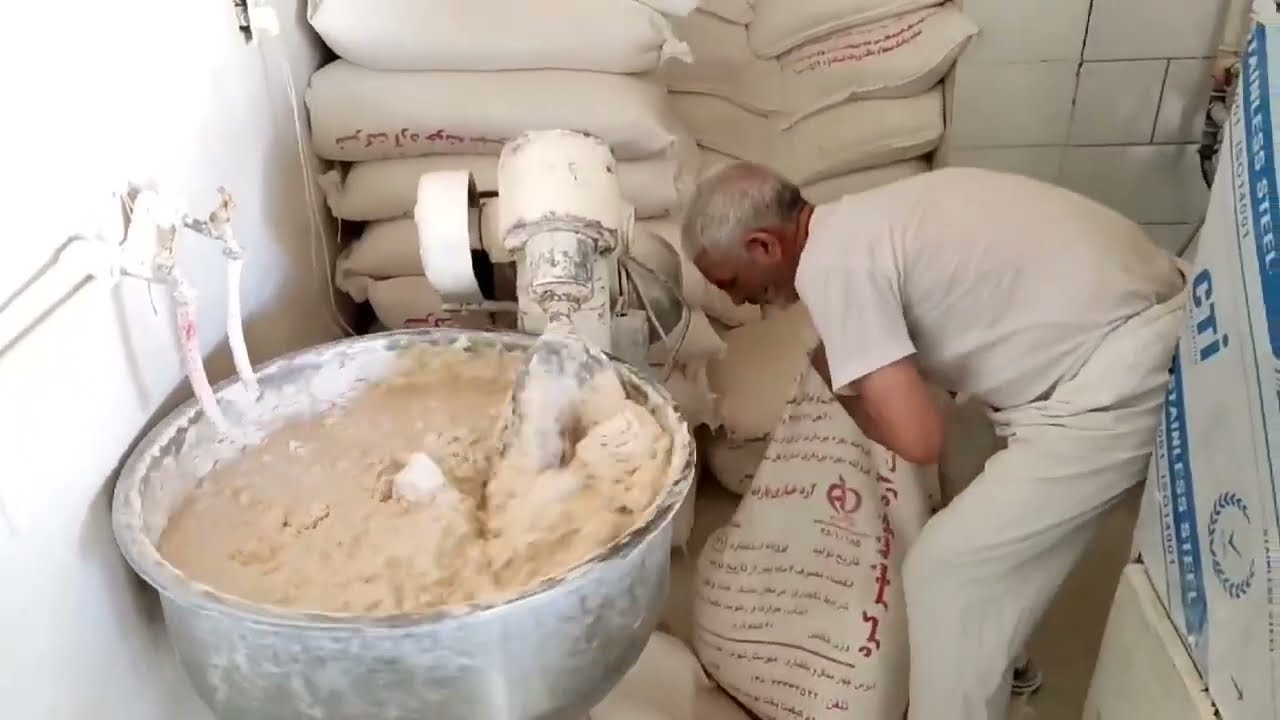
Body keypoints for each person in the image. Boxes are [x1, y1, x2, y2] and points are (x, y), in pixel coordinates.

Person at [680, 163, 1187, 720]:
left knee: (945, 574)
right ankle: (1002, 663)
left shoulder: (833, 267)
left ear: (762, 245)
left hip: (1112, 378)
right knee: (968, 465)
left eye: (732, 283)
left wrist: (838, 375)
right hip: (1150, 306)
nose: (744, 302)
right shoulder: (864, 219)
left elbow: (919, 438)